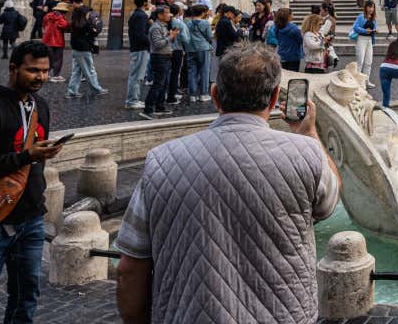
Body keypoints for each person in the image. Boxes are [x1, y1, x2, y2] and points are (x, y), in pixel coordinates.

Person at [116, 42, 340, 324]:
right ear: (274, 98)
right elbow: (330, 201)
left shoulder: (160, 160)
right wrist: (308, 133)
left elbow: (129, 267)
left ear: (215, 95)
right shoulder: (305, 153)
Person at [0, 40, 65, 323]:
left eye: (45, 71)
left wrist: (40, 154)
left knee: (26, 294)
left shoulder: (41, 106)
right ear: (13, 68)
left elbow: (33, 162)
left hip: (31, 217)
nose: (41, 77)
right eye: (33, 70)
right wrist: (25, 156)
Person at [142, 5, 179, 119]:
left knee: (164, 83)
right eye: (166, 13)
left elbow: (165, 41)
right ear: (160, 15)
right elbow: (158, 44)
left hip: (165, 56)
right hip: (159, 57)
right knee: (158, 84)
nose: (169, 15)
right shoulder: (156, 27)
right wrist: (170, 37)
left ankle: (160, 106)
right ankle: (148, 109)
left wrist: (172, 35)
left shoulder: (164, 26)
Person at [62, 4, 106, 98]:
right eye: (88, 13)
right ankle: (96, 89)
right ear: (84, 14)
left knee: (77, 71)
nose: (89, 15)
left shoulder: (75, 23)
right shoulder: (85, 24)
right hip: (84, 49)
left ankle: (72, 91)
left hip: (76, 49)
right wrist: (94, 30)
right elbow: (93, 33)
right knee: (90, 70)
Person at [125, 0, 152, 110]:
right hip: (140, 49)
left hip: (139, 48)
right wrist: (151, 42)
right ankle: (131, 101)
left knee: (137, 76)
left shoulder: (138, 14)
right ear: (145, 3)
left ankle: (134, 99)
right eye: (149, 2)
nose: (150, 4)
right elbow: (141, 34)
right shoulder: (140, 16)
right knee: (136, 76)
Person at [39, 1, 69, 82]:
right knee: (58, 59)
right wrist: (63, 18)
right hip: (57, 41)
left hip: (47, 40)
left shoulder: (48, 15)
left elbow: (44, 24)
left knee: (48, 59)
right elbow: (65, 25)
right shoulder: (60, 17)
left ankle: (46, 74)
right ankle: (56, 76)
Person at [351, 0, 378, 80]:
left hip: (370, 40)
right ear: (366, 7)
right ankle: (357, 81)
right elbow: (355, 27)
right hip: (361, 39)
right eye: (369, 7)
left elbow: (374, 27)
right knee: (360, 62)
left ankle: (366, 81)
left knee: (368, 62)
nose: (371, 9)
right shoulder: (361, 16)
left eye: (372, 7)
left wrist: (375, 30)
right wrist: (365, 31)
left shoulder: (373, 18)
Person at [272, 7, 304, 72]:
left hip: (281, 55)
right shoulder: (294, 29)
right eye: (291, 14)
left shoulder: (277, 28)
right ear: (288, 16)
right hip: (293, 56)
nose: (293, 15)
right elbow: (301, 40)